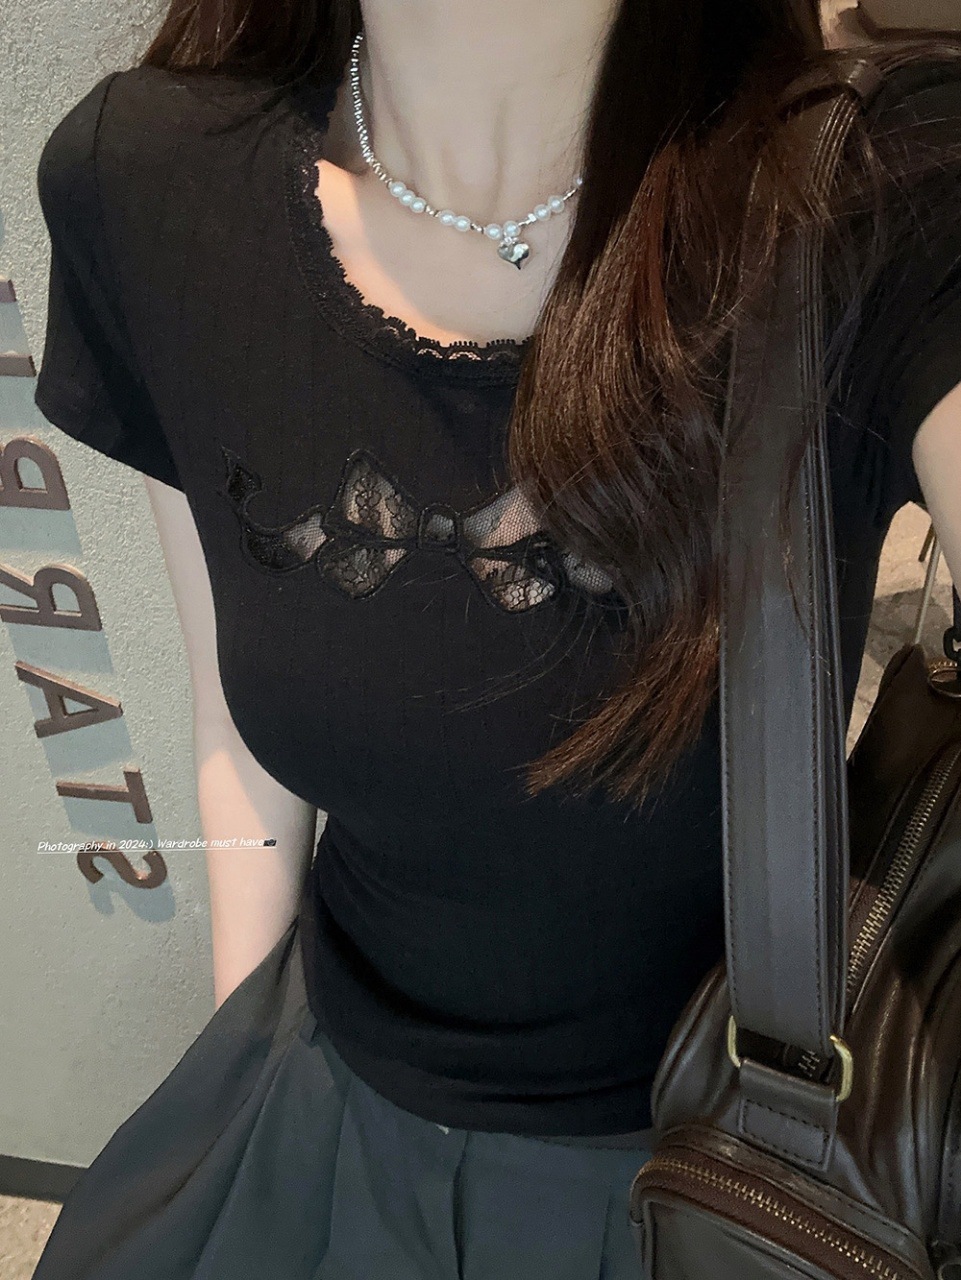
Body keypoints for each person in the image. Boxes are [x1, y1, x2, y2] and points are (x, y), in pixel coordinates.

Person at [27, 0, 961, 1276]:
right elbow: (235, 733)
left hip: (728, 1169)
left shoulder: (861, 196)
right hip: (328, 1094)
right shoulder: (145, 181)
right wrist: (241, 1079)